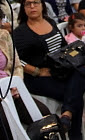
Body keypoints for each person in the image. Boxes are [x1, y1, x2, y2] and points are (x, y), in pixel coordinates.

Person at [14, 0, 85, 140]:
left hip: (58, 71)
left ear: (42, 5)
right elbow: (16, 60)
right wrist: (37, 71)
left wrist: (73, 61)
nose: (32, 6)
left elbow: (62, 46)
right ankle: (75, 134)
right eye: (28, 4)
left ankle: (66, 116)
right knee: (75, 96)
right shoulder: (20, 32)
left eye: (36, 3)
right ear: (24, 8)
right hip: (36, 79)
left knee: (82, 71)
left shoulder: (50, 22)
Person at [0, 11, 51, 139]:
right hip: (1, 96)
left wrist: (16, 86)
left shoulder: (4, 36)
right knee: (6, 125)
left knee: (44, 115)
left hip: (11, 91)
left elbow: (17, 65)